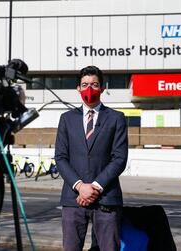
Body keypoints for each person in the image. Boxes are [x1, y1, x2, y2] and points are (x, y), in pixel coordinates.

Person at [55, 65, 128, 251]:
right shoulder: (66, 118)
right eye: (85, 84)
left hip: (106, 199)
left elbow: (119, 158)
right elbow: (61, 158)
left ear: (103, 88)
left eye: (94, 84)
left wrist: (94, 187)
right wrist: (80, 186)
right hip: (73, 199)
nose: (90, 89)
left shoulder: (116, 118)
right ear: (78, 88)